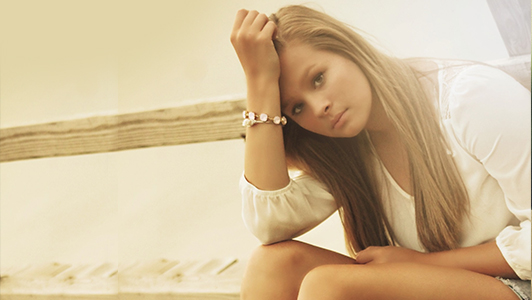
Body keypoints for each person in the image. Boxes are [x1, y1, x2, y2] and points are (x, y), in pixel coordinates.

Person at [230, 5, 531, 300]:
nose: (318, 107)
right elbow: (269, 225)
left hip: (519, 285)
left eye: (318, 78)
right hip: (443, 284)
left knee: (329, 287)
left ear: (348, 49)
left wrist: (419, 263)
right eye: (297, 107)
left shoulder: (469, 99)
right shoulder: (350, 149)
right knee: (271, 266)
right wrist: (259, 83)